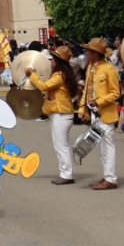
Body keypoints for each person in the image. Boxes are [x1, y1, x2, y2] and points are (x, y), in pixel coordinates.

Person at [26, 46, 80, 185]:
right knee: (59, 145)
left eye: (53, 60)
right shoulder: (63, 74)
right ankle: (64, 173)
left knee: (61, 145)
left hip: (61, 114)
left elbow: (44, 86)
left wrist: (32, 74)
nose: (51, 62)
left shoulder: (59, 75)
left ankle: (66, 174)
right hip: (60, 113)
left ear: (58, 62)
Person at [78, 37, 121, 190]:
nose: (86, 53)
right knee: (101, 147)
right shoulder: (90, 67)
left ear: (95, 53)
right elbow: (86, 90)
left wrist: (99, 101)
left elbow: (115, 93)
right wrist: (82, 109)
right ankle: (107, 176)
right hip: (94, 113)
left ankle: (111, 179)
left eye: (88, 51)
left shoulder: (109, 69)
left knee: (107, 146)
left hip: (106, 113)